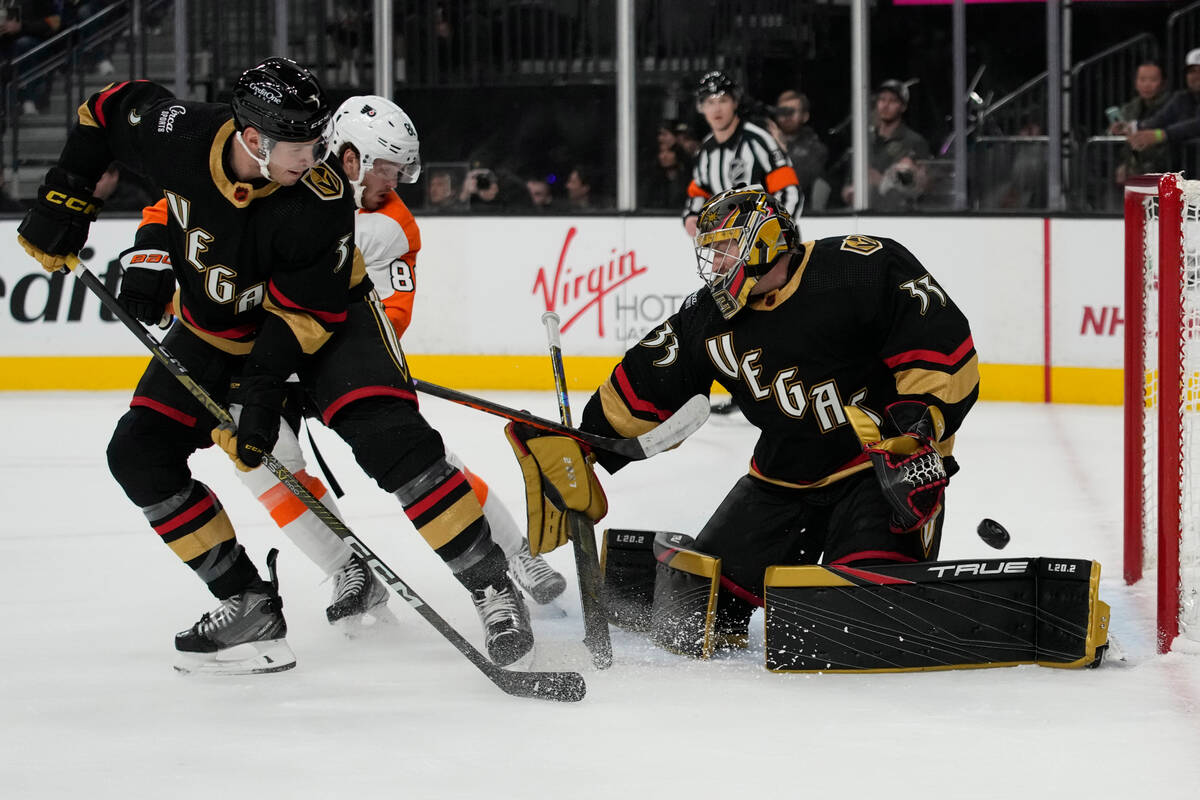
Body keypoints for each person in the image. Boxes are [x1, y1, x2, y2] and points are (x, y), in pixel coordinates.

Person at [15, 57, 535, 674]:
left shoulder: (320, 197)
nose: (316, 156)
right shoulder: (178, 132)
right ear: (253, 138)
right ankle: (247, 602)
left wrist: (262, 396)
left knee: (392, 442)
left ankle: (491, 584)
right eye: (302, 144)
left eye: (320, 139)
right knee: (138, 454)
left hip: (333, 320)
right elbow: (103, 111)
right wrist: (67, 197)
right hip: (217, 326)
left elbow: (302, 320)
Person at [577, 185, 979, 647]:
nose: (716, 264)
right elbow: (645, 379)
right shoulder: (708, 318)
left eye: (725, 248)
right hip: (782, 475)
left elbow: (942, 347)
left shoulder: (862, 267)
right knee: (695, 620)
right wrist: (582, 445)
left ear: (763, 239)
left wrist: (919, 434)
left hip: (876, 472)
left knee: (855, 622)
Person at [682, 71, 801, 238]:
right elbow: (699, 192)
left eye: (723, 100)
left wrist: (775, 230)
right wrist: (692, 216)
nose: (717, 109)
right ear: (702, 108)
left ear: (735, 103)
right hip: (730, 245)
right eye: (710, 102)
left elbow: (789, 191)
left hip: (770, 243)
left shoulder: (758, 140)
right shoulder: (706, 151)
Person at [841, 79, 932, 212]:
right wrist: (850, 193)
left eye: (893, 101)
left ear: (903, 107)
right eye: (882, 99)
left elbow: (922, 188)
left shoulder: (915, 142)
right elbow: (847, 185)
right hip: (864, 214)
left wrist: (882, 181)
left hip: (899, 216)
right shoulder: (864, 141)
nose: (885, 105)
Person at [1124, 48, 1200, 157]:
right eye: (1192, 71)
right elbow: (1158, 120)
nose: (1196, 76)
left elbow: (1196, 125)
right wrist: (1131, 126)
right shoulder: (1182, 98)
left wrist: (1161, 135)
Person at [1109, 59, 1170, 184]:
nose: (1147, 85)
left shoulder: (1171, 106)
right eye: (1142, 80)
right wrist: (1113, 132)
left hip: (1161, 168)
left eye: (1153, 80)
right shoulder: (1129, 108)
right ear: (1136, 83)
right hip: (1129, 165)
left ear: (1163, 83)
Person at [768, 90, 829, 211]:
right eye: (782, 111)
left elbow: (798, 180)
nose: (786, 116)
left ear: (805, 116)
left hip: (802, 214)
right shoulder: (766, 141)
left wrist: (782, 148)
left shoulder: (815, 148)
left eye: (791, 111)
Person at [0, 0, 62, 115]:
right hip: (7, 44)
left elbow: (55, 22)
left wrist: (22, 26)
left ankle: (28, 99)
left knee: (23, 45)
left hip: (35, 42)